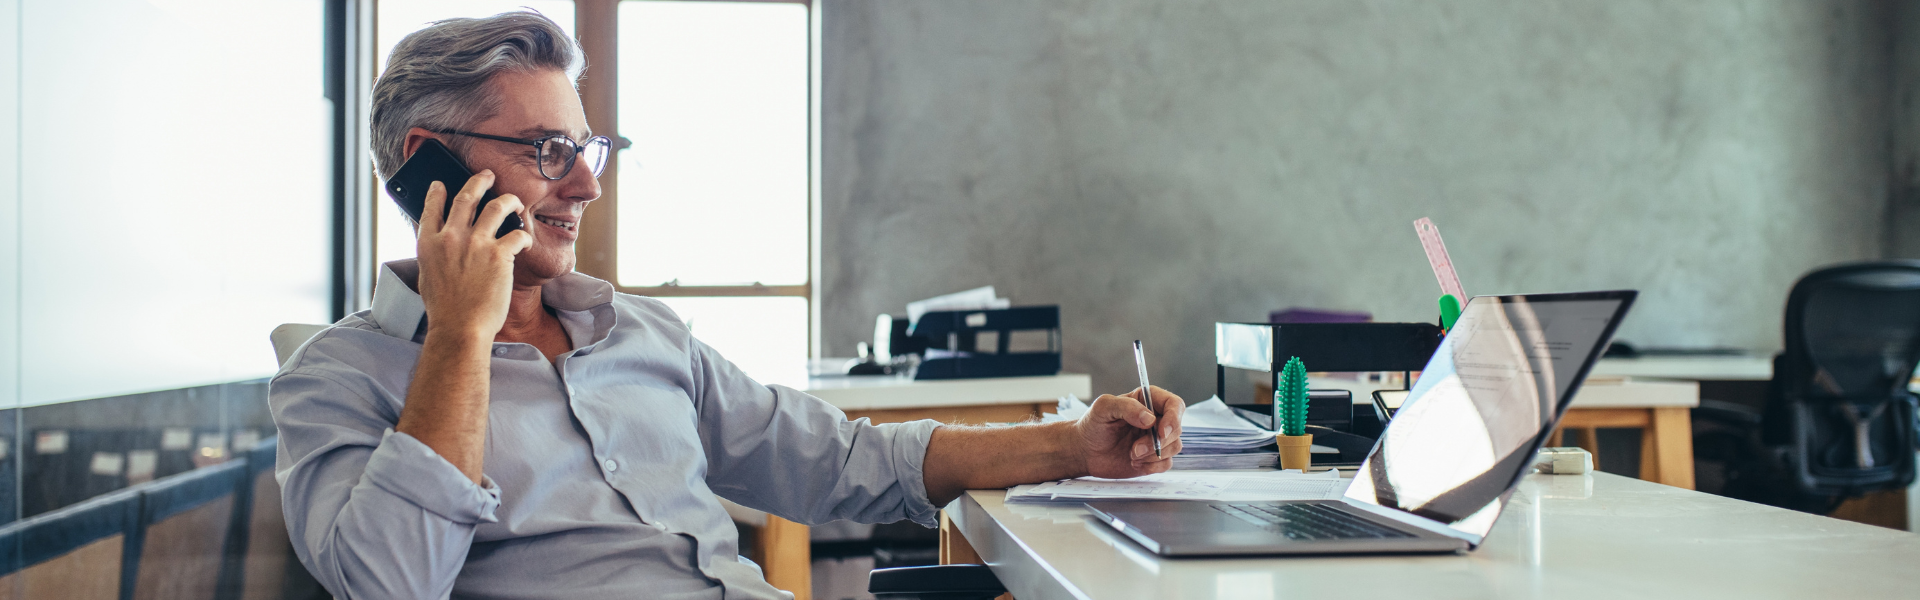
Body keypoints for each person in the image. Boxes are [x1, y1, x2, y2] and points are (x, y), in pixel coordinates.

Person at [270, 11, 1185, 600]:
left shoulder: (636, 332)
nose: (587, 184)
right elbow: (391, 585)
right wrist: (463, 337)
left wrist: (1074, 444)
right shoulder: (338, 380)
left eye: (590, 146)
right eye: (549, 149)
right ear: (432, 162)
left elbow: (849, 463)